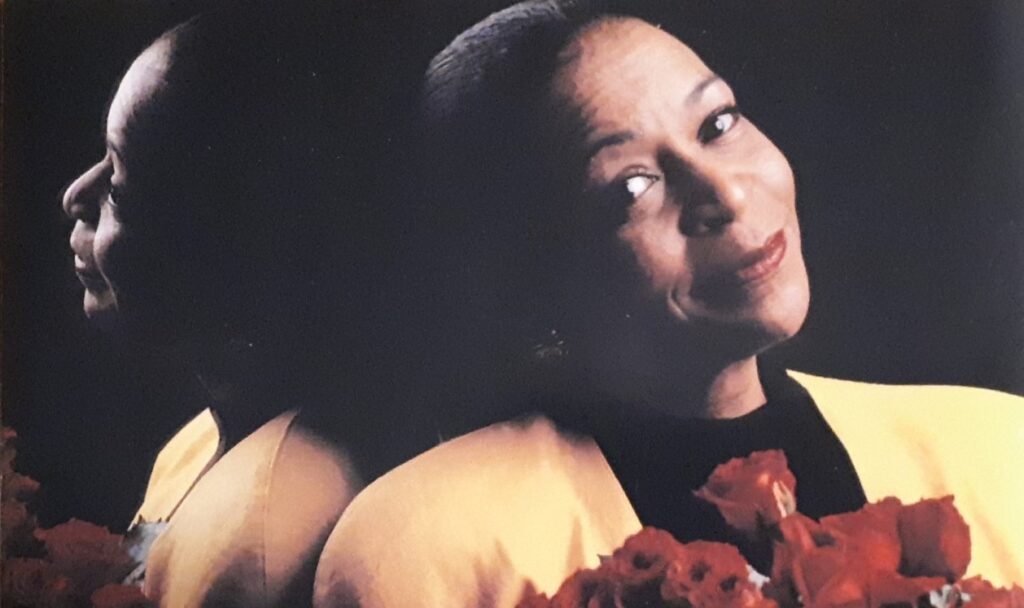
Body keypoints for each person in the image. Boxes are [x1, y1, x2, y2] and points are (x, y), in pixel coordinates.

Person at [312, 1, 1024, 605]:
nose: (727, 193)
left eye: (718, 124)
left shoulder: (995, 447)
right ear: (532, 276)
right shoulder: (429, 543)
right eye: (632, 186)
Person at [59, 4, 427, 605]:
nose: (75, 195)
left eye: (119, 186)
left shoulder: (255, 543)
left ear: (231, 241)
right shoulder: (203, 440)